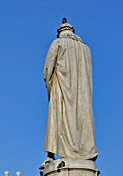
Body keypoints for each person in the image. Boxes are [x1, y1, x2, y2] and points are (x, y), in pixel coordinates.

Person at [43, 18, 97, 162]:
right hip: (83, 94)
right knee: (82, 120)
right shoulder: (86, 49)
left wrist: (50, 88)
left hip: (61, 88)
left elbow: (48, 70)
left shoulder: (58, 44)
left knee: (58, 119)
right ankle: (85, 151)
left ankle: (51, 154)